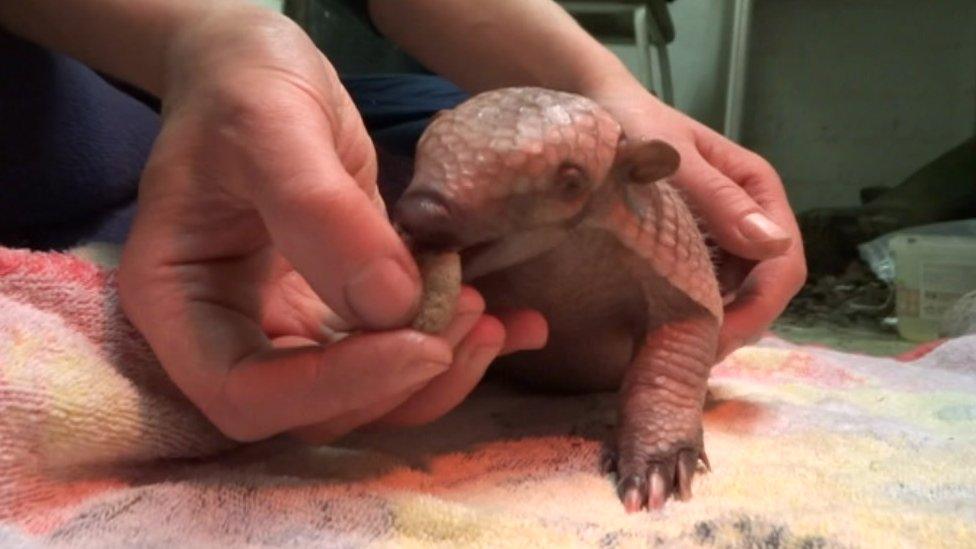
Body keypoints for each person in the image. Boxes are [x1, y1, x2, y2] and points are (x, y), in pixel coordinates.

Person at [0, 0, 805, 444]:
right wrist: (204, 46)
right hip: (95, 114)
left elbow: (686, 314)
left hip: (249, 80)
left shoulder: (628, 191)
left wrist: (594, 78)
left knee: (421, 112)